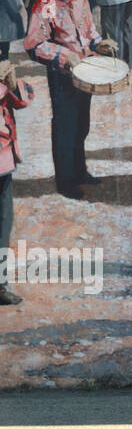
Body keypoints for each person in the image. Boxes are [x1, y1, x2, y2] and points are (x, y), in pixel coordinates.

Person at [24, 0, 116, 199]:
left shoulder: (80, 1)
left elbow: (90, 34)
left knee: (82, 125)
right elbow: (34, 44)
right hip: (62, 76)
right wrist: (64, 56)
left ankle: (80, 171)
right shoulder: (46, 4)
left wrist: (100, 44)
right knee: (65, 126)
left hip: (85, 72)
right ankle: (65, 182)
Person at [0, 57, 33, 305]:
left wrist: (11, 83)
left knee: (3, 224)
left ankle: (0, 285)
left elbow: (23, 100)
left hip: (3, 158)